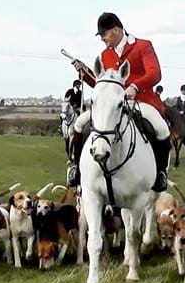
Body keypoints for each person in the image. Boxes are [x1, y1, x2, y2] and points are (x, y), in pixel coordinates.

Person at [67, 12, 171, 192]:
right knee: (79, 124)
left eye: (103, 34)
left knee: (160, 127)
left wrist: (135, 87)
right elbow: (101, 83)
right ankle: (76, 168)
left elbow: (155, 74)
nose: (102, 39)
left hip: (141, 101)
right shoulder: (105, 55)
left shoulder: (143, 46)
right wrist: (84, 72)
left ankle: (160, 172)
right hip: (113, 106)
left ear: (115, 30)